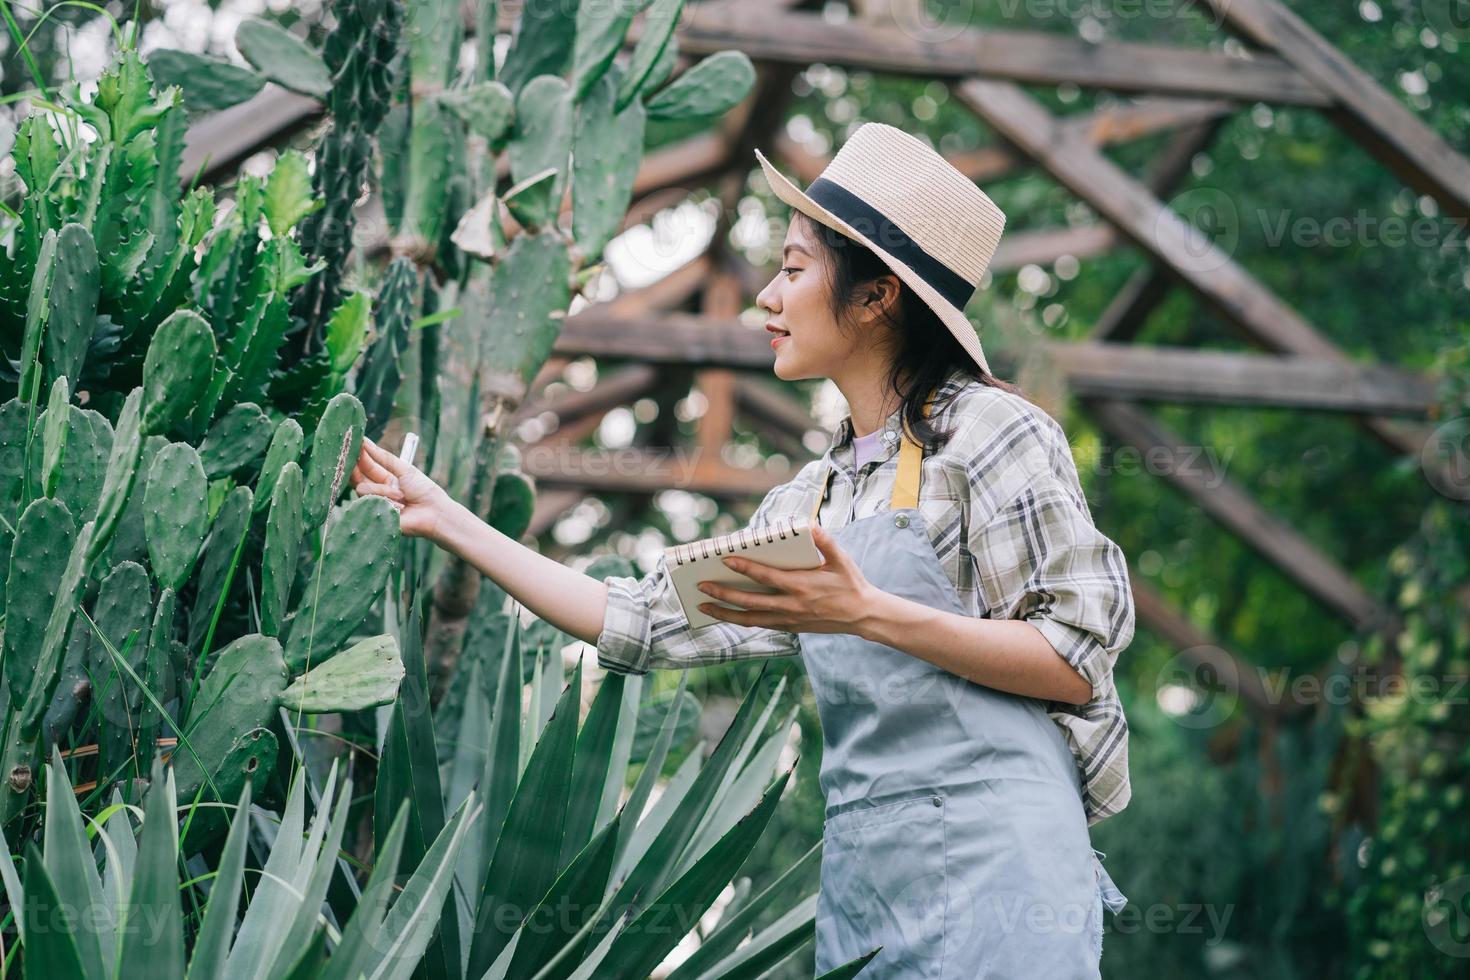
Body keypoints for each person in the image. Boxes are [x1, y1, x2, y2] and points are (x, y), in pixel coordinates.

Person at [351, 121, 1132, 978]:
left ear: (877, 298)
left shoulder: (991, 432)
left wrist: (866, 614)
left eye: (794, 269)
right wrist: (448, 517)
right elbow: (641, 622)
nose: (765, 296)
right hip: (868, 883)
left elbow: (1070, 661)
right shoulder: (817, 498)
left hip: (1002, 876)